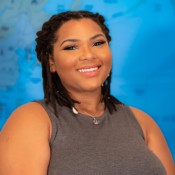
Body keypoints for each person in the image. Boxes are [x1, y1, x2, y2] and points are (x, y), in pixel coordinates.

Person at [0, 10, 174, 175]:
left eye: (98, 43)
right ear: (51, 62)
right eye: (71, 47)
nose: (88, 55)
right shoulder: (32, 119)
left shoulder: (142, 122)